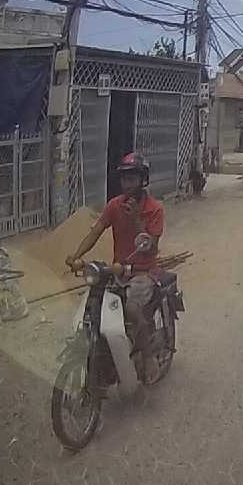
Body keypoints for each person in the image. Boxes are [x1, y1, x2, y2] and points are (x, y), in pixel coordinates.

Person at [66, 152, 164, 380]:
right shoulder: (114, 205)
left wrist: (137, 219)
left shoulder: (155, 209)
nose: (127, 183)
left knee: (131, 309)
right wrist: (76, 256)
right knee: (94, 304)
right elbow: (96, 231)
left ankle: (148, 358)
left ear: (143, 180)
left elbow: (150, 248)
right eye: (124, 178)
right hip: (117, 270)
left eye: (132, 178)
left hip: (143, 272)